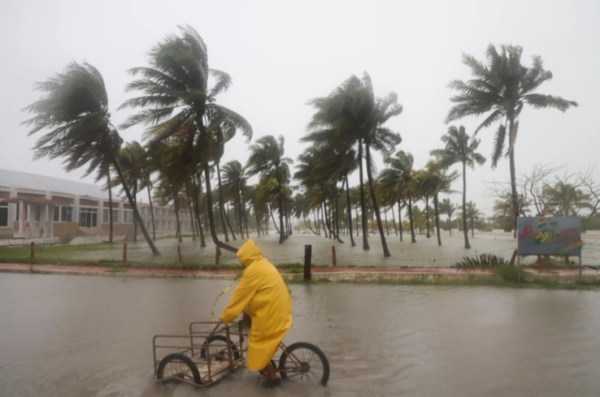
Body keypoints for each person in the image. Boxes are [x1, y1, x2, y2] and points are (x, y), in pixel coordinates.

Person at [220, 239, 292, 387]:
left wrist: (225, 317)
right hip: (280, 308)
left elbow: (238, 297)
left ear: (246, 258)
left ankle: (272, 378)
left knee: (256, 344)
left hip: (271, 312)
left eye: (241, 260)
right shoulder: (263, 263)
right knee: (247, 315)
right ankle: (266, 359)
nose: (240, 263)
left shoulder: (253, 272)